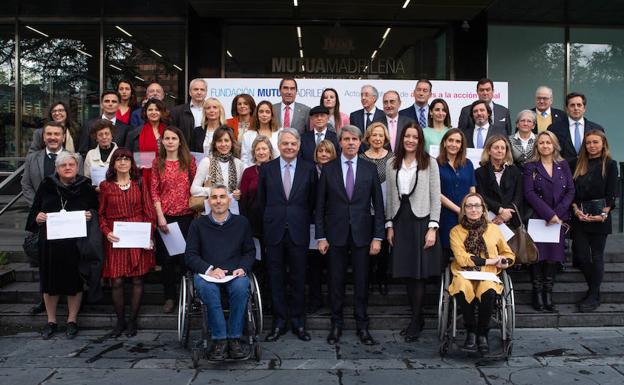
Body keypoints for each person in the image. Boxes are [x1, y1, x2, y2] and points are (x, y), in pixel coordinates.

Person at [315, 125, 384, 346]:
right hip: (335, 235)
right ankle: (336, 325)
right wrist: (321, 236)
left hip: (363, 235)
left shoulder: (369, 168)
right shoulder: (329, 169)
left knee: (362, 282)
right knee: (336, 282)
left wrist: (378, 236)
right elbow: (320, 206)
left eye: (355, 139)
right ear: (340, 143)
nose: (351, 142)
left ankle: (362, 326)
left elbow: (379, 206)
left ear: (360, 142)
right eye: (346, 139)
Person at [25, 152, 98, 339]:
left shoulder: (85, 186)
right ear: (57, 168)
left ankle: (72, 320)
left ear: (77, 167)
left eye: (71, 164)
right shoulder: (47, 185)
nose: (67, 168)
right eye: (63, 165)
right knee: (50, 282)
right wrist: (38, 217)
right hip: (50, 243)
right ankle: (51, 321)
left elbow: (96, 208)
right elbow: (34, 212)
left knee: (74, 281)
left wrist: (90, 214)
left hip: (76, 244)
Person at [185, 184, 256, 361]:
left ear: (229, 200)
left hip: (234, 272)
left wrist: (243, 267)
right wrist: (209, 269)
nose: (218, 201)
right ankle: (219, 340)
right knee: (208, 290)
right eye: (214, 197)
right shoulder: (198, 224)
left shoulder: (241, 223)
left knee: (241, 289)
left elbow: (249, 251)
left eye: (222, 197)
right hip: (207, 273)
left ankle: (234, 338)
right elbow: (190, 255)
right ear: (209, 201)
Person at [258, 128, 317, 342]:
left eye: (293, 143)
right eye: (285, 144)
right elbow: (262, 201)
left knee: (299, 278)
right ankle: (279, 322)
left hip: (299, 231)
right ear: (279, 146)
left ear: (299, 146)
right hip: (273, 231)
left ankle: (298, 322)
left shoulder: (309, 169)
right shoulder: (267, 169)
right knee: (276, 278)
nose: (289, 147)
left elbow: (312, 201)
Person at [385, 123, 442, 342]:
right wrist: (389, 225)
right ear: (402, 139)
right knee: (408, 272)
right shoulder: (392, 163)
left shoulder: (429, 163)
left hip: (422, 220)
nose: (410, 140)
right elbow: (390, 196)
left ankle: (417, 320)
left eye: (414, 137)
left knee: (419, 274)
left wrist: (433, 228)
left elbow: (435, 195)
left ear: (420, 140)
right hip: (401, 220)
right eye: (407, 136)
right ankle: (416, 318)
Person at [98, 148, 155, 337]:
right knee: (117, 280)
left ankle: (132, 322)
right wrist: (106, 232)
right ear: (113, 164)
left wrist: (149, 236)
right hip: (116, 237)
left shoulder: (139, 183)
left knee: (138, 279)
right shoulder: (105, 186)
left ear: (132, 163)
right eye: (119, 160)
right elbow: (101, 215)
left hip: (137, 235)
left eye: (126, 159)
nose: (122, 163)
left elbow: (149, 211)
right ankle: (120, 321)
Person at [449, 193, 515, 354]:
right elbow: (462, 258)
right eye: (469, 206)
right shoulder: (456, 231)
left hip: (488, 274)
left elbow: (508, 254)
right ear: (463, 210)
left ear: (483, 209)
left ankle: (482, 333)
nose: (473, 209)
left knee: (488, 289)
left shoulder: (494, 229)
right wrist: (490, 261)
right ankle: (471, 331)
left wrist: (504, 261)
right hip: (464, 273)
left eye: (477, 206)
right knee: (463, 287)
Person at [523, 131, 575, 312]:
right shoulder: (531, 166)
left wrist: (557, 214)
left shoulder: (563, 165)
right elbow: (529, 193)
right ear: (536, 146)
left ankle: (548, 294)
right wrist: (548, 214)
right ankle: (537, 295)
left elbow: (570, 191)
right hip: (539, 219)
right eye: (541, 142)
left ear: (554, 145)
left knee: (553, 259)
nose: (545, 145)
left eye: (548, 142)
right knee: (538, 257)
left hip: (558, 221)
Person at [150, 126, 196, 313]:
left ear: (180, 141)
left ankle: (189, 297)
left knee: (187, 260)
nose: (170, 141)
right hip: (166, 218)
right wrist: (160, 217)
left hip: (188, 217)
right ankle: (169, 297)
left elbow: (196, 186)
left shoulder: (189, 161)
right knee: (167, 261)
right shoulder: (157, 162)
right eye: (166, 138)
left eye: (173, 138)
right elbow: (154, 191)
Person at [571, 130, 618, 312]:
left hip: (601, 217)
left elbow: (612, 194)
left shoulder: (610, 165)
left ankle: (593, 295)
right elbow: (571, 192)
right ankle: (595, 291)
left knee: (597, 256)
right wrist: (575, 210)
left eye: (595, 142)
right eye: (589, 142)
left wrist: (604, 213)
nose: (592, 145)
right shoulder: (576, 163)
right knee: (582, 256)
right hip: (580, 216)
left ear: (603, 143)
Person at [239, 135, 274, 303]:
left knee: (273, 263)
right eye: (258, 149)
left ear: (270, 151)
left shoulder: (276, 169)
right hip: (254, 225)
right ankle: (257, 298)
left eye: (264, 149)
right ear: (254, 152)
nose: (261, 152)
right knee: (257, 263)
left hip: (273, 224)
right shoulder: (248, 172)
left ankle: (271, 299)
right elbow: (243, 200)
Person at [360, 121, 393, 294]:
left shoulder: (392, 158)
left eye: (381, 135)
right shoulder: (361, 157)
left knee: (384, 247)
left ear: (385, 137)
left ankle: (382, 279)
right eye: (374, 135)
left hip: (386, 209)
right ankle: (370, 280)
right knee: (367, 245)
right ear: (368, 138)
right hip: (366, 210)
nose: (377, 138)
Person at [437, 129, 476, 267]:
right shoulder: (435, 164)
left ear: (462, 145)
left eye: (458, 141)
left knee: (465, 256)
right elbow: (437, 193)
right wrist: (459, 210)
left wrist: (472, 210)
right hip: (445, 216)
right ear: (445, 143)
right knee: (445, 254)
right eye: (451, 140)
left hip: (467, 217)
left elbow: (472, 190)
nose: (454, 144)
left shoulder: (468, 164)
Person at [307, 140, 338, 313]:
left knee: (333, 265)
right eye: (321, 151)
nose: (324, 154)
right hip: (313, 224)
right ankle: (315, 299)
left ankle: (333, 300)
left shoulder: (338, 172)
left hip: (333, 224)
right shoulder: (310, 171)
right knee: (314, 265)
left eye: (327, 151)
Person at [191, 126, 244, 211]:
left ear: (231, 143)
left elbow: (240, 190)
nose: (223, 144)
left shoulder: (238, 163)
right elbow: (194, 189)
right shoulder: (206, 162)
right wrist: (214, 191)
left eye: (226, 140)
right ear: (215, 144)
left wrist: (238, 194)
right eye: (219, 141)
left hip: (232, 211)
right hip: (210, 211)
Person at [475, 135, 523, 229]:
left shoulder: (514, 171)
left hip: (511, 219)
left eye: (503, 148)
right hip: (490, 219)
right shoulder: (479, 172)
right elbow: (481, 195)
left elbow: (519, 195)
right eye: (496, 148)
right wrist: (500, 210)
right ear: (489, 151)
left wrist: (506, 214)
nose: (500, 151)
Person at [547, 92, 605, 165]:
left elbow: (603, 152)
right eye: (572, 105)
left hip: (590, 172)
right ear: (567, 109)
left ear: (584, 108)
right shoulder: (554, 129)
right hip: (562, 172)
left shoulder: (597, 128)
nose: (576, 108)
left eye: (579, 105)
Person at [126, 98, 169, 187]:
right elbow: (128, 157)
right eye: (150, 109)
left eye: (157, 110)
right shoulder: (134, 134)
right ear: (145, 112)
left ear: (162, 112)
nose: (153, 112)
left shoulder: (170, 131)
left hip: (167, 176)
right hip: (141, 178)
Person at [78, 91, 132, 155]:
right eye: (107, 101)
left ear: (119, 105)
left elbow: (126, 154)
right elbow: (83, 152)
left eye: (114, 101)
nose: (110, 104)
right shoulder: (88, 125)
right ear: (101, 105)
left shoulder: (126, 129)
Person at [241, 101, 280, 168]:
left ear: (272, 115)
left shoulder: (279, 133)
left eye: (267, 112)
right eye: (261, 111)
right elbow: (244, 159)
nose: (264, 115)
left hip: (274, 173)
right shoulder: (247, 135)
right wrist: (250, 173)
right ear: (257, 114)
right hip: (254, 174)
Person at [170, 78, 208, 145]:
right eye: (196, 89)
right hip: (185, 151)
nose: (199, 92)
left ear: (206, 93)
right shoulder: (177, 111)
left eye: (202, 90)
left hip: (206, 151)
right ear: (190, 92)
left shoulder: (212, 111)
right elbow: (172, 134)